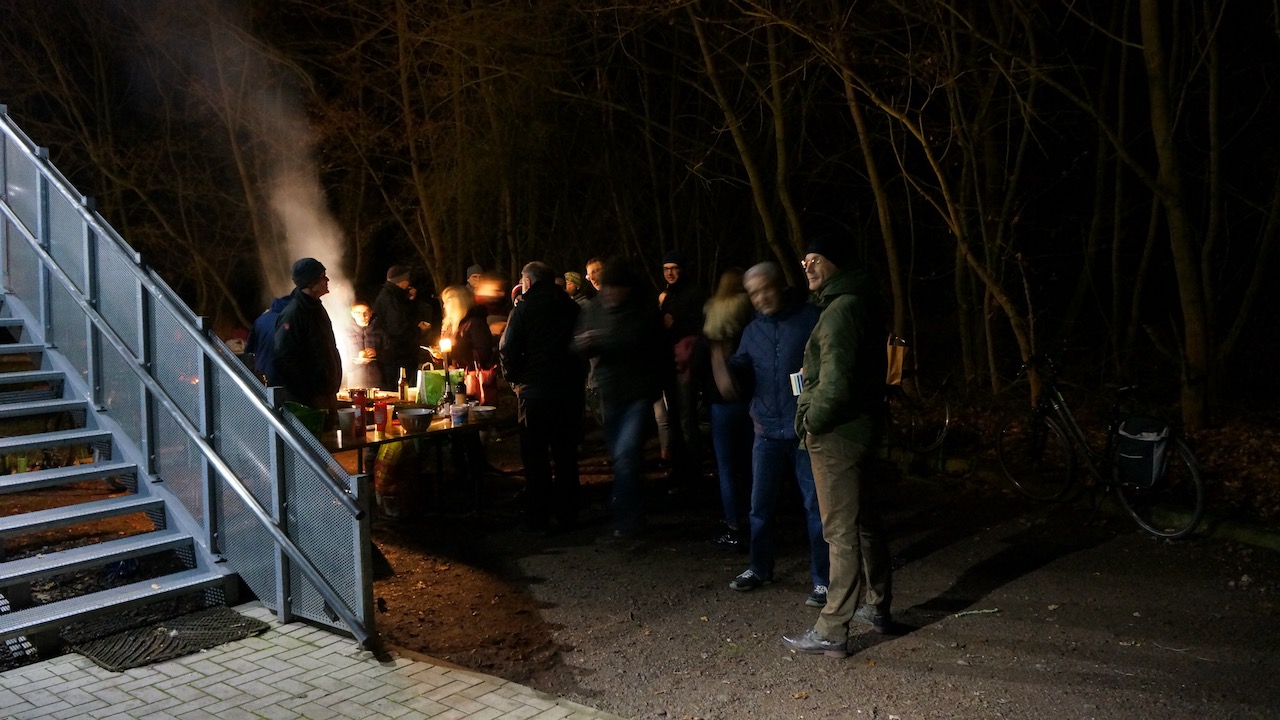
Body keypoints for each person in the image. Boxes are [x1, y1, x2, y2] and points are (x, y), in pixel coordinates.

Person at [782, 236, 891, 659]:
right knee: (866, 522)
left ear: (836, 262)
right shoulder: (861, 301)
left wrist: (811, 422)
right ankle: (877, 606)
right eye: (804, 261)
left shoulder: (841, 309)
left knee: (840, 532)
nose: (808, 267)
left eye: (815, 259)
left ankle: (831, 629)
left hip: (837, 435)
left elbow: (836, 383)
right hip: (862, 428)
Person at [724, 262, 828, 608]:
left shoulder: (811, 319)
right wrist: (724, 365)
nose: (760, 298)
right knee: (760, 507)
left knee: (815, 507)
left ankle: (824, 580)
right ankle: (760, 567)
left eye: (765, 289)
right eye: (753, 293)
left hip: (805, 430)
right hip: (766, 431)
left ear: (781, 285)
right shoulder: (752, 331)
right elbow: (741, 369)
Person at [574, 258, 668, 538]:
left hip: (638, 394)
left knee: (627, 454)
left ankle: (626, 518)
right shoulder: (597, 308)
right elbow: (577, 342)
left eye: (616, 288)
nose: (611, 294)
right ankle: (636, 508)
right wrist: (583, 344)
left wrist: (604, 340)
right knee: (621, 457)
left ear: (627, 288)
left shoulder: (643, 311)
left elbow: (656, 348)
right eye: (608, 288)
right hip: (611, 393)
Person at [500, 261, 585, 534]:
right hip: (568, 391)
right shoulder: (572, 308)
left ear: (528, 282)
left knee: (535, 457)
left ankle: (538, 518)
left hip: (535, 391)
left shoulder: (524, 308)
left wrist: (514, 379)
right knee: (565, 454)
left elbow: (508, 347)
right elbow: (583, 346)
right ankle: (568, 513)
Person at [700, 268, 754, 549]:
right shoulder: (751, 315)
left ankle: (734, 524)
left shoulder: (712, 314)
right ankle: (756, 518)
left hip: (721, 400)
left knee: (727, 466)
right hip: (751, 396)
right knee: (750, 462)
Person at [654, 250, 704, 490]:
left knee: (685, 419)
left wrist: (676, 324)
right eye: (666, 268)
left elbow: (699, 327)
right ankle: (680, 470)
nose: (670, 273)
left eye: (673, 268)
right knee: (674, 418)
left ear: (682, 269)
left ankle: (692, 474)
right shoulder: (668, 295)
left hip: (685, 365)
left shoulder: (693, 294)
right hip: (670, 364)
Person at [274, 258, 342, 426]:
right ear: (310, 282)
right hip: (310, 400)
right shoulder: (293, 314)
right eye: (322, 276)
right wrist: (308, 393)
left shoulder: (316, 309)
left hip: (325, 394)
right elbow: (284, 358)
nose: (327, 280)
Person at [372, 265, 430, 390]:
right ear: (401, 281)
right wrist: (419, 330)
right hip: (397, 355)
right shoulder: (391, 299)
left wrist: (409, 300)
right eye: (407, 280)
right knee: (400, 388)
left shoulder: (393, 296)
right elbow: (398, 329)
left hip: (395, 353)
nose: (409, 283)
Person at [245, 294, 291, 384]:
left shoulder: (260, 320)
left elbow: (249, 348)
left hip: (261, 371)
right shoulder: (291, 320)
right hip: (282, 373)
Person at [345, 302, 382, 389]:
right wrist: (356, 360)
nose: (362, 316)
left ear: (371, 313)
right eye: (358, 313)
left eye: (366, 312)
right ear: (352, 314)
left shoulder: (380, 332)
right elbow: (341, 361)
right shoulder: (345, 334)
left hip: (377, 382)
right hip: (354, 382)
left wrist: (377, 353)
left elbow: (391, 355)